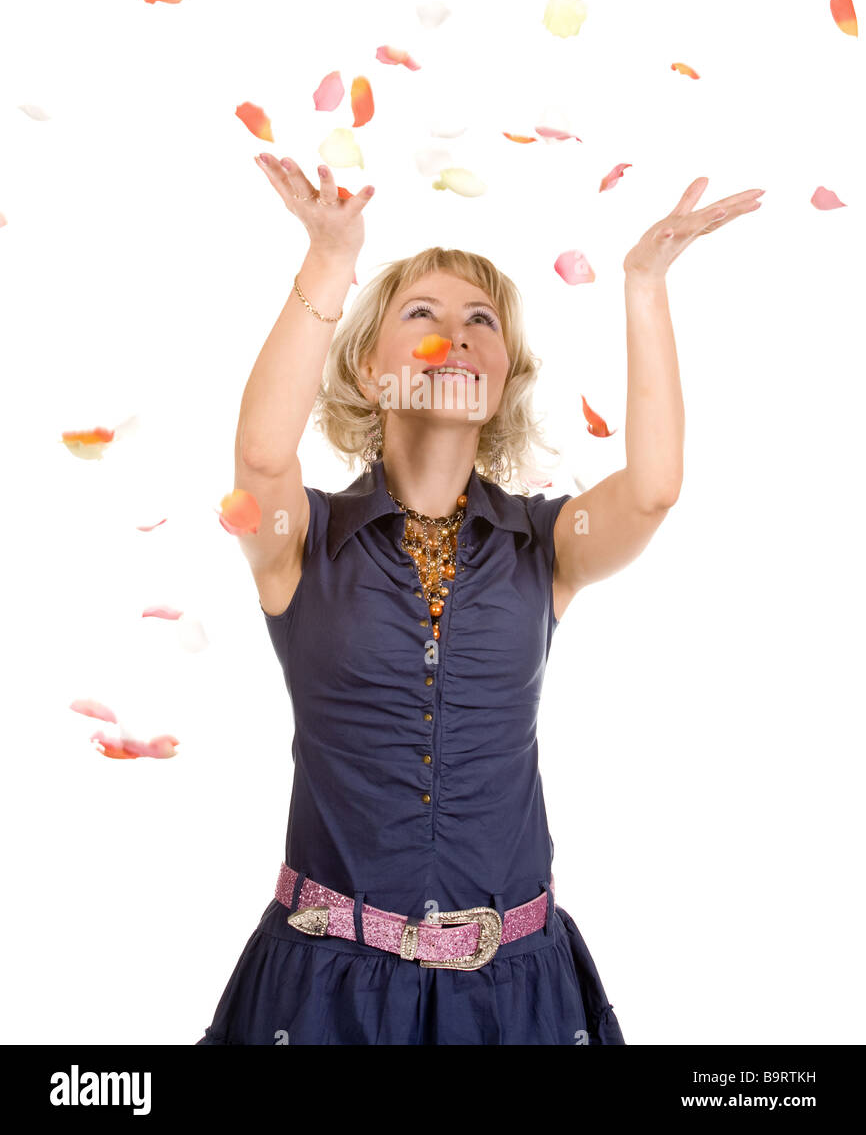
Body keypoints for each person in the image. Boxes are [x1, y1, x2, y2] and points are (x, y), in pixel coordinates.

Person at [195, 153, 763, 1045]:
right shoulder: (299, 541)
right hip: (324, 996)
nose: (456, 335)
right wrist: (331, 261)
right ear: (366, 370)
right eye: (422, 314)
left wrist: (644, 283)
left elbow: (651, 491)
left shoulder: (547, 546)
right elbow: (263, 459)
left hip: (514, 998)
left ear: (505, 375)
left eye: (481, 321)